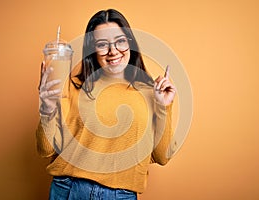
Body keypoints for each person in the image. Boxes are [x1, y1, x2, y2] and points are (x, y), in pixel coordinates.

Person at [36, 9, 176, 200]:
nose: (113, 51)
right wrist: (47, 107)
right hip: (69, 190)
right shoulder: (72, 86)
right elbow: (45, 150)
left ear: (130, 43)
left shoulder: (151, 92)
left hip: (122, 195)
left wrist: (163, 107)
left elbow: (162, 157)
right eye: (102, 44)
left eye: (120, 41)